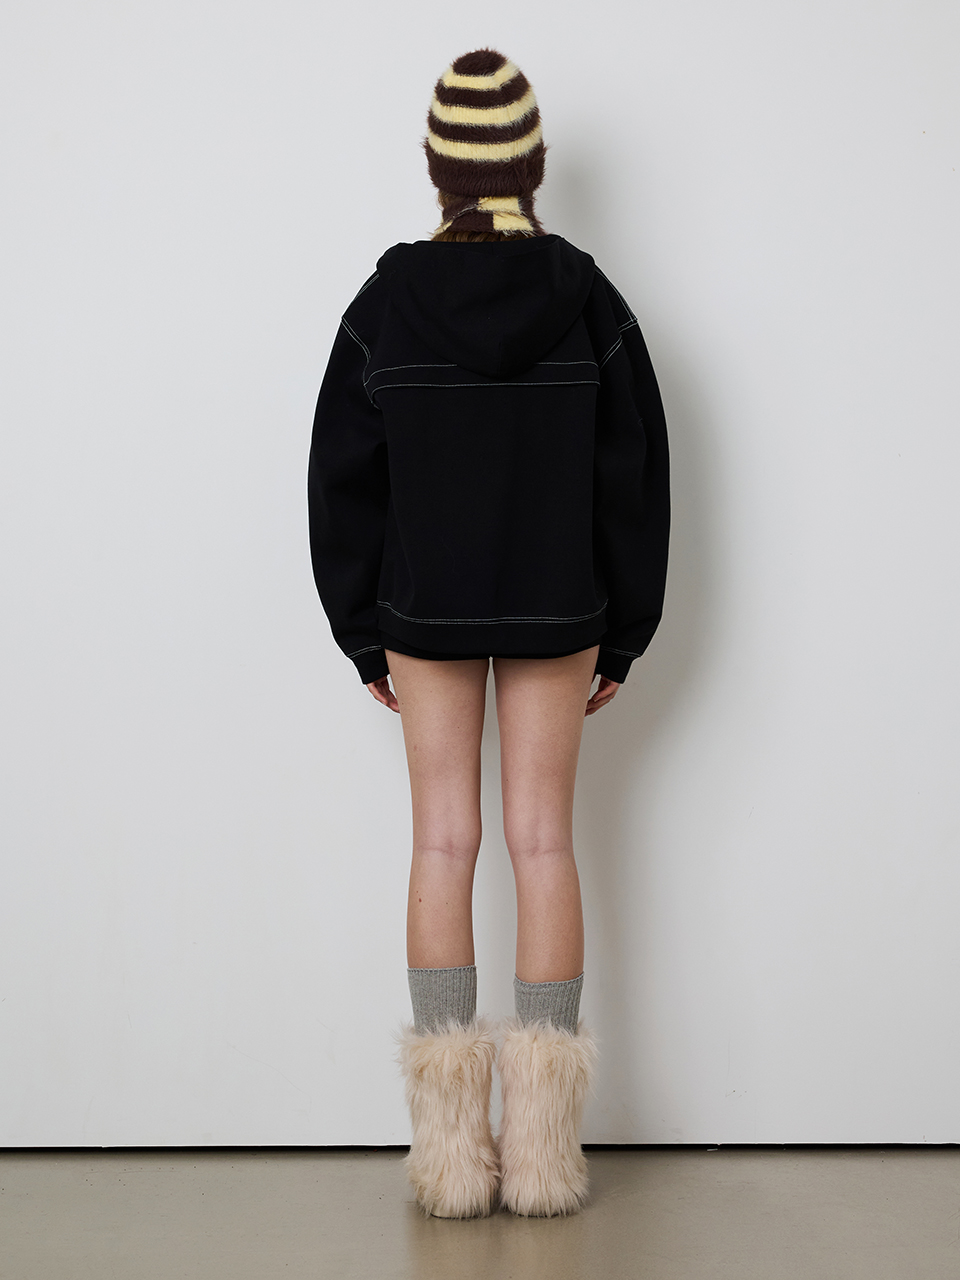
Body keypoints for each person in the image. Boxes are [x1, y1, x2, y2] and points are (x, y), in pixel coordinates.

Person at [307, 47, 670, 1219]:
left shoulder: (386, 302)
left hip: (425, 609)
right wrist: (626, 629)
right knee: (544, 844)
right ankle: (547, 1160)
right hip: (561, 607)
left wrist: (363, 631)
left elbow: (339, 477)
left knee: (442, 844)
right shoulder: (589, 299)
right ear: (535, 166)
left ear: (437, 168)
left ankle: (453, 1162)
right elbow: (637, 475)